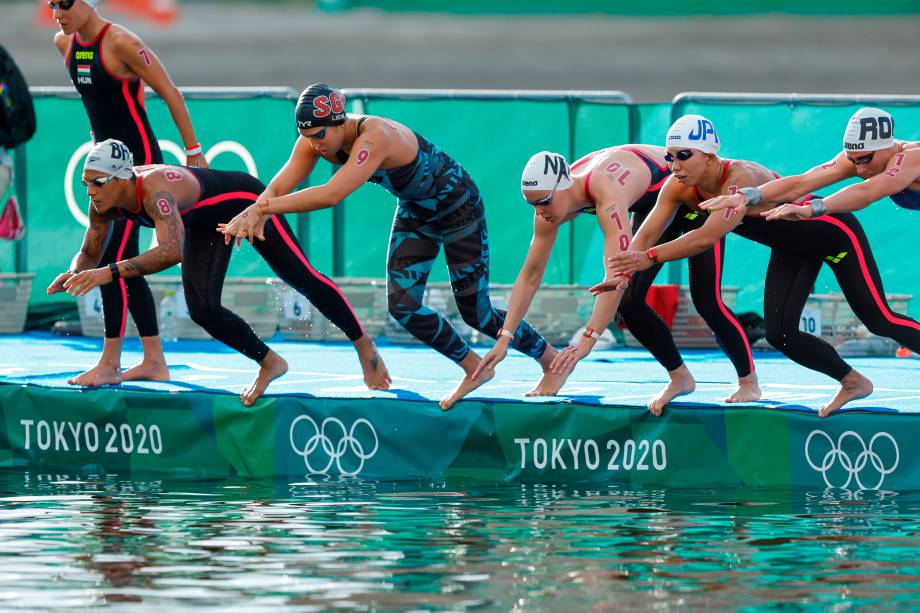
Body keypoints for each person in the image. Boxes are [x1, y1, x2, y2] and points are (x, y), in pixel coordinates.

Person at [218, 83, 557, 410]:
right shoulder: (313, 140)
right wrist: (253, 211)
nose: (315, 145)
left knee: (476, 312)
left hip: (457, 204)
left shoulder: (375, 135)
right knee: (402, 307)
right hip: (417, 211)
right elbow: (277, 187)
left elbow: (331, 194)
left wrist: (262, 209)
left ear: (339, 121)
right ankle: (474, 368)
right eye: (307, 137)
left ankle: (550, 360)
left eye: (319, 135)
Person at [597, 115, 920, 417]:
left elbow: (706, 237)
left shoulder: (739, 177)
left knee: (880, 319)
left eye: (683, 155)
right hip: (792, 248)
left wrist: (812, 208)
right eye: (669, 157)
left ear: (709, 155)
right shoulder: (678, 187)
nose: (674, 164)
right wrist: (623, 273)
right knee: (780, 335)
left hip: (835, 236)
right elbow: (803, 181)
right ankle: (852, 382)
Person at [48, 139, 391, 405]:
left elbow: (171, 251)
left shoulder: (154, 192)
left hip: (246, 201)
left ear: (122, 177)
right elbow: (90, 251)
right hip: (203, 223)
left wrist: (107, 273)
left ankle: (364, 346)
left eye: (98, 182)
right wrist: (74, 272)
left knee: (301, 276)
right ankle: (270, 362)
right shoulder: (102, 202)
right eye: (85, 183)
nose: (90, 191)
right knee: (201, 309)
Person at [470, 146, 759, 415]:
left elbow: (616, 272)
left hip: (689, 192)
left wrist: (588, 339)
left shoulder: (605, 191)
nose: (539, 212)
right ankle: (680, 377)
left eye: (544, 202)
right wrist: (505, 336)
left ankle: (748, 382)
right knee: (629, 300)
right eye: (532, 204)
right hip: (654, 207)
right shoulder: (547, 205)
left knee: (707, 300)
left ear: (564, 186)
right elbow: (531, 274)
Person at [50, 0, 207, 387]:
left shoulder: (120, 42)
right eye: (51, 4)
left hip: (138, 166)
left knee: (113, 259)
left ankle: (110, 363)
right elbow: (96, 103)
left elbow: (170, 92)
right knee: (123, 261)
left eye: (64, 3)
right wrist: (96, 140)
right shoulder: (64, 43)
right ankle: (153, 360)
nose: (57, 13)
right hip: (105, 167)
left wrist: (193, 152)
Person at [698, 108, 920, 220]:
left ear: (886, 147)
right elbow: (800, 184)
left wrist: (812, 208)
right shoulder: (861, 156)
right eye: (853, 160)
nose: (859, 168)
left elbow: (867, 192)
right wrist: (746, 196)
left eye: (865, 159)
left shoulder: (911, 157)